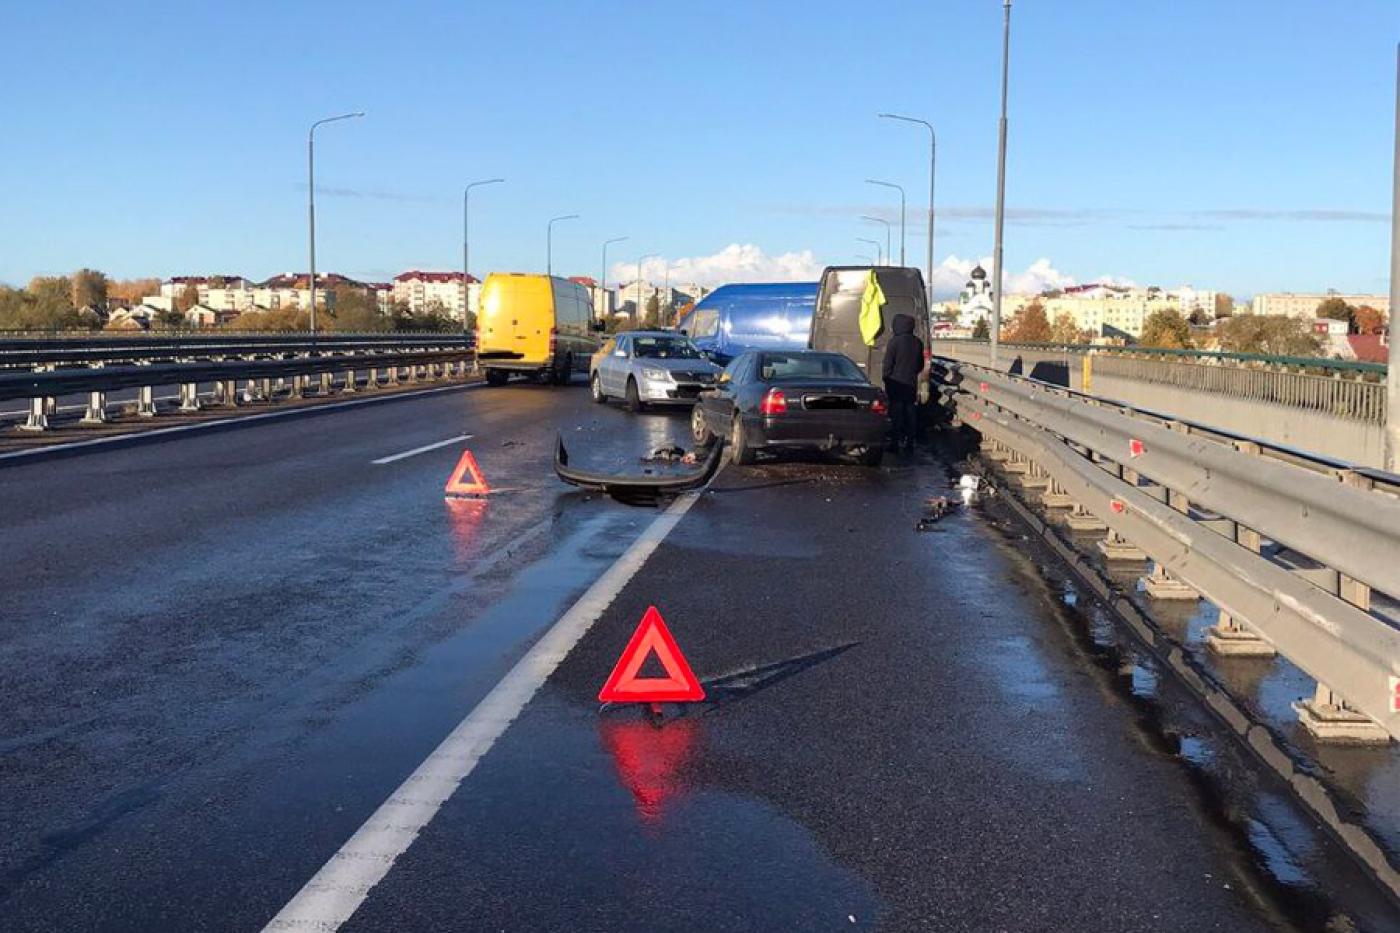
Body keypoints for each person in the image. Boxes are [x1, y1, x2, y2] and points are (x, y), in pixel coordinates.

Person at [881, 313, 926, 453]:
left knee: (896, 414)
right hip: (911, 383)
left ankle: (895, 443)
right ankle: (909, 443)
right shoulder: (918, 342)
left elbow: (888, 363)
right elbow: (920, 365)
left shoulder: (894, 342)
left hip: (896, 383)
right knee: (910, 413)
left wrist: (886, 378)